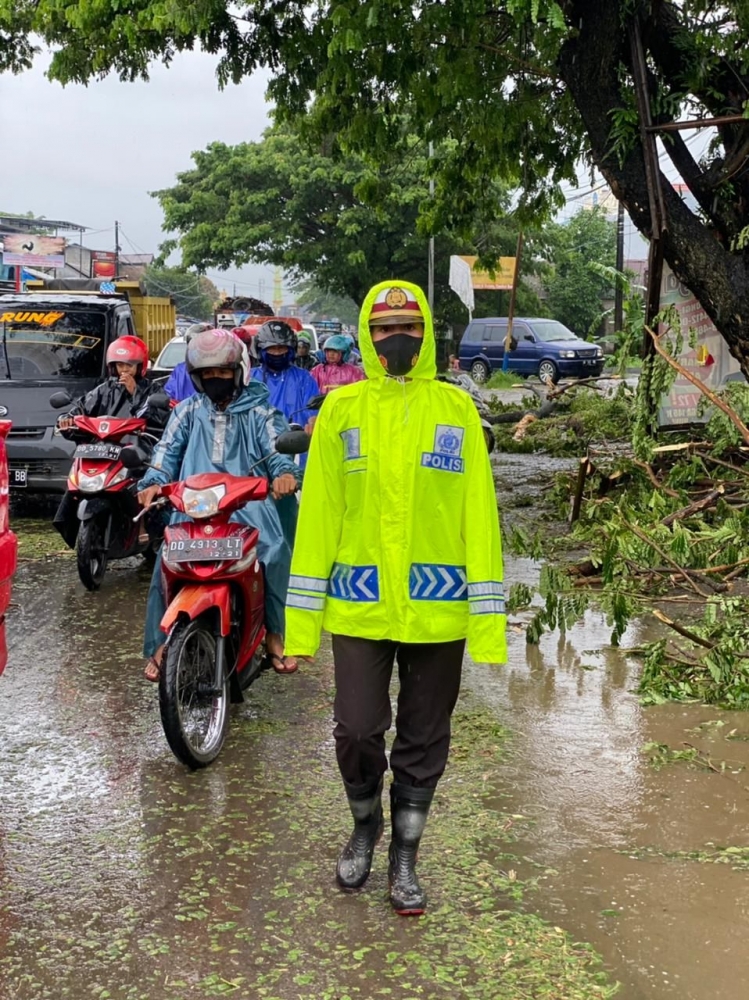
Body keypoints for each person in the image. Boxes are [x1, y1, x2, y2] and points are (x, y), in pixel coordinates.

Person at [284, 282, 506, 916]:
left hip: (439, 611)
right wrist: (300, 630)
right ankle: (364, 824)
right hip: (360, 606)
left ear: (427, 332)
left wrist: (488, 627)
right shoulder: (341, 411)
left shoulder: (456, 411)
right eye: (382, 330)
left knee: (423, 736)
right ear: (365, 335)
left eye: (408, 326)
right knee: (356, 729)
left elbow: (479, 520)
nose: (395, 339)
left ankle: (405, 858)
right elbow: (320, 516)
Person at [137, 328, 301, 682]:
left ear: (238, 371)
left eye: (223, 373)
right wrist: (152, 481)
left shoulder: (259, 411)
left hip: (249, 505)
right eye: (207, 374)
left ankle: (275, 633)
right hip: (195, 505)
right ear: (196, 377)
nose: (215, 380)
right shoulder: (189, 412)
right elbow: (166, 451)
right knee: (168, 559)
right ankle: (163, 639)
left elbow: (276, 448)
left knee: (273, 551)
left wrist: (284, 472)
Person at [53, 335, 169, 546]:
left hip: (136, 446)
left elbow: (156, 416)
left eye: (129, 365)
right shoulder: (103, 389)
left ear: (140, 366)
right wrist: (66, 421)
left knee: (145, 476)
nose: (124, 369)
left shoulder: (151, 390)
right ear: (112, 366)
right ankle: (67, 522)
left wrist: (134, 392)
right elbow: (80, 409)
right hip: (102, 448)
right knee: (75, 480)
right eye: (119, 365)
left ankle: (145, 524)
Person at [250, 320, 319, 545]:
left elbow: (314, 412)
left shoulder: (304, 378)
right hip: (257, 453)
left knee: (292, 520)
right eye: (272, 349)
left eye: (281, 349)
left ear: (290, 350)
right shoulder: (249, 379)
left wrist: (314, 422)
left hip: (296, 451)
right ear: (261, 350)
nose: (277, 353)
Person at [163, 323, 211, 404]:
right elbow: (169, 394)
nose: (197, 350)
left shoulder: (217, 369)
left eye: (201, 346)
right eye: (193, 345)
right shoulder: (180, 369)